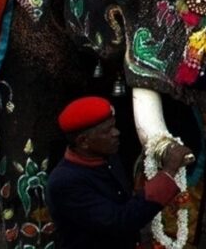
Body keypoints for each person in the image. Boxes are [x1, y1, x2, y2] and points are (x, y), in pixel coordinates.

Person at [47, 95, 185, 249]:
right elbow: (119, 221)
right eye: (107, 131)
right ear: (83, 142)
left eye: (114, 126)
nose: (116, 133)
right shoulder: (65, 182)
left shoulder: (108, 157)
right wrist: (168, 173)